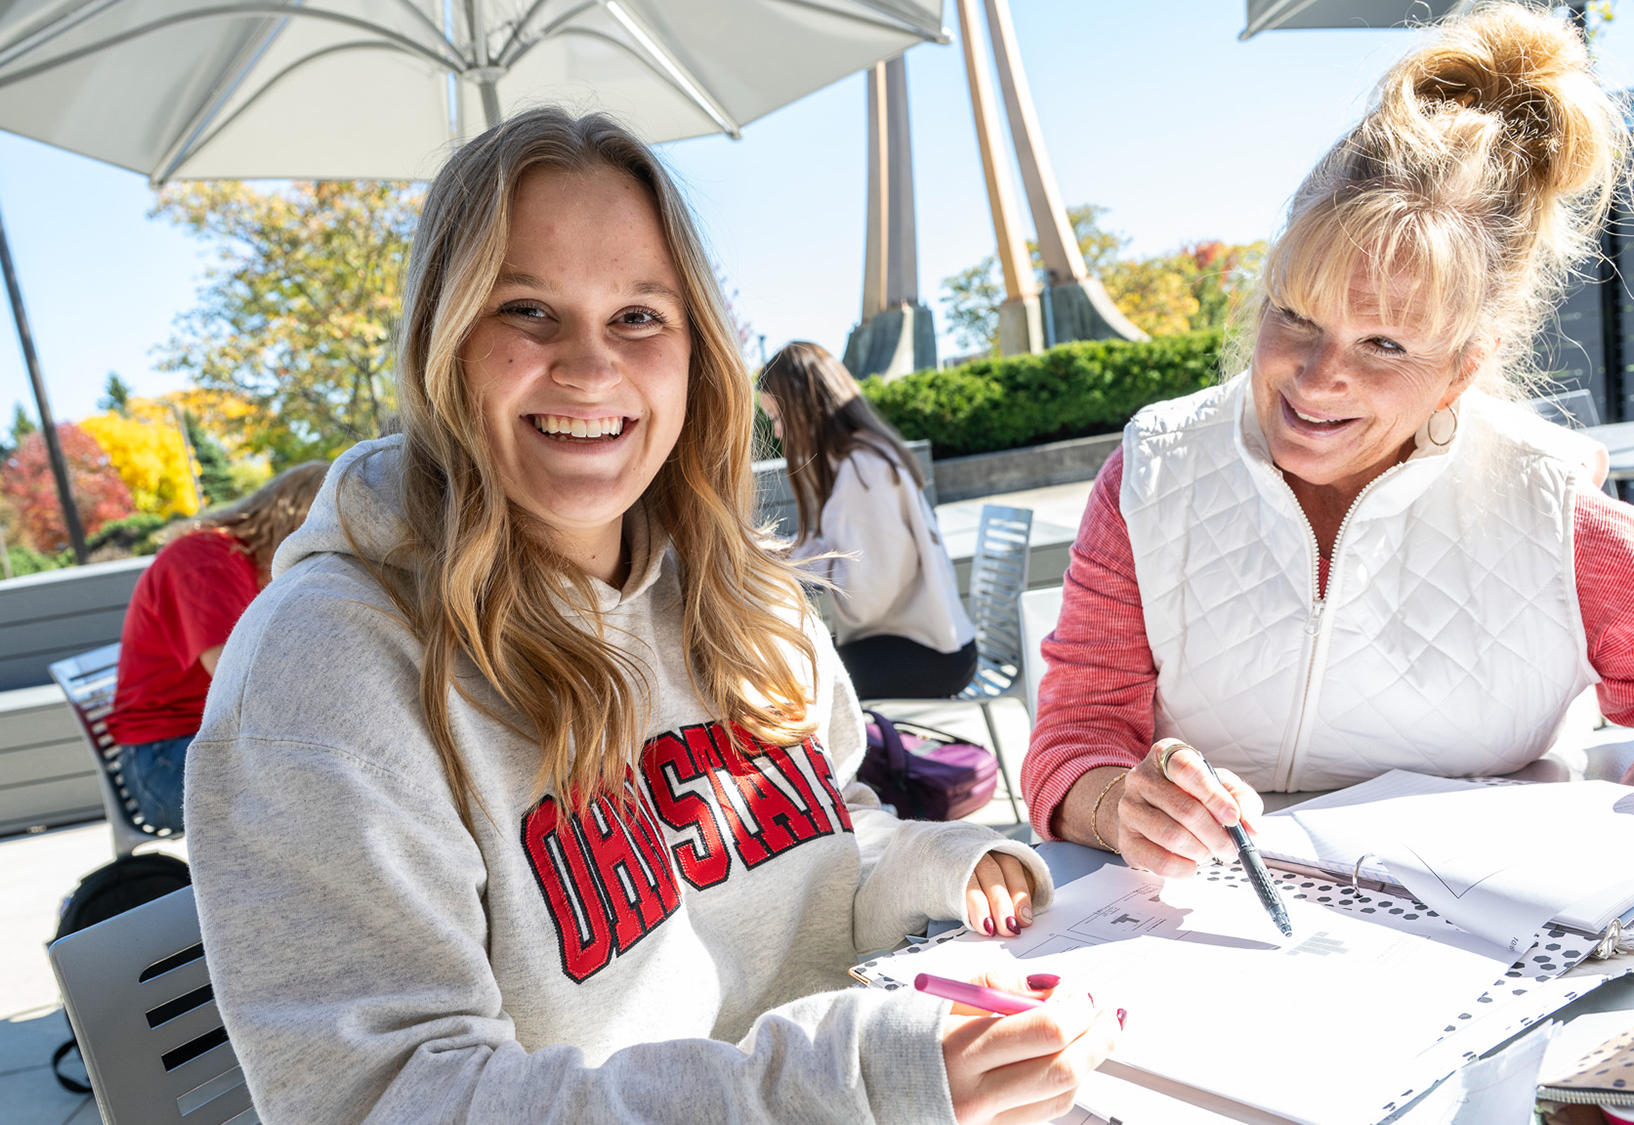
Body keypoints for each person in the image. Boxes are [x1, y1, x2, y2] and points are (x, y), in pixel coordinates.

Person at [185, 109, 1119, 1125]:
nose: (590, 369)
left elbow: (823, 849)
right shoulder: (325, 667)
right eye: (527, 311)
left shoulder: (743, 589)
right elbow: (382, 1099)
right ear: (440, 341)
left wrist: (942, 867)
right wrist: (850, 1084)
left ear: (696, 353)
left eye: (637, 316)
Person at [1020, 2, 1634, 877]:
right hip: (1203, 936)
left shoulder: (1555, 516)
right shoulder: (1153, 474)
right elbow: (1073, 742)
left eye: (1384, 345)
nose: (1316, 378)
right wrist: (1118, 804)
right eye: (1296, 316)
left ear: (1465, 367)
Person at [105, 461, 326, 833]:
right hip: (165, 761)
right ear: (302, 521)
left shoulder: (241, 565)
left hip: (199, 744)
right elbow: (239, 683)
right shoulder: (205, 560)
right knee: (323, 794)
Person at [757, 342, 978, 699]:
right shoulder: (858, 461)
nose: (778, 433)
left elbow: (868, 597)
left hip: (931, 654)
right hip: (926, 643)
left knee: (785, 679)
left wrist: (800, 569)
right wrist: (789, 558)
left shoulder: (863, 471)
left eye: (778, 418)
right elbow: (856, 556)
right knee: (788, 665)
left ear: (804, 409)